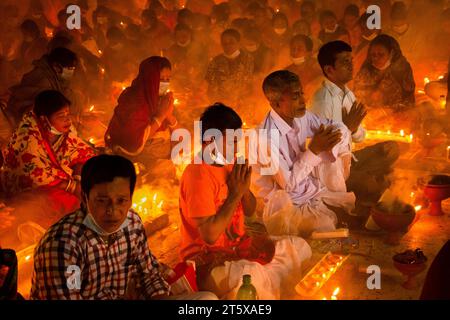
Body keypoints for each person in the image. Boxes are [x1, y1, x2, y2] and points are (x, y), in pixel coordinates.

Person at [30, 154, 217, 300]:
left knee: (207, 299)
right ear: (85, 198)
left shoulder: (132, 224)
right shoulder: (63, 245)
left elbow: (149, 275)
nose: (113, 211)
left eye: (121, 201)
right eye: (102, 201)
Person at [179, 103, 312, 299]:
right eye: (231, 141)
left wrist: (243, 189)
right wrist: (234, 194)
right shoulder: (197, 174)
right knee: (251, 276)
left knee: (298, 246)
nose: (236, 147)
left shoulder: (230, 162)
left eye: (237, 140)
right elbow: (210, 236)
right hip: (207, 264)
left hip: (239, 249)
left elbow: (249, 211)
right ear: (209, 140)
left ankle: (268, 283)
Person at [252, 70, 355, 237]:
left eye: (301, 93)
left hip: (307, 187)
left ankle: (327, 208)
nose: (303, 100)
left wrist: (338, 137)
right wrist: (314, 150)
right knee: (324, 225)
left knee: (332, 148)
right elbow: (289, 185)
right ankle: (326, 213)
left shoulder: (301, 116)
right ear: (276, 104)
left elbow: (334, 126)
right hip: (283, 201)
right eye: (295, 97)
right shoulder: (265, 138)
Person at [310, 41, 399, 220]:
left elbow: (360, 136)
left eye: (351, 60)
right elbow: (325, 152)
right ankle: (355, 199)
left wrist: (354, 128)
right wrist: (347, 128)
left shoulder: (347, 94)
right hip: (330, 173)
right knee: (370, 184)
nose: (351, 65)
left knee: (391, 148)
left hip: (349, 160)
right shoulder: (323, 101)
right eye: (344, 62)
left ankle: (368, 182)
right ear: (329, 70)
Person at [1, 90, 95, 227]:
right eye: (61, 116)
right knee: (62, 200)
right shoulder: (26, 138)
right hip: (31, 192)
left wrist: (78, 178)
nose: (68, 120)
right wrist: (73, 186)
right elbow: (35, 177)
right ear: (45, 119)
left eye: (68, 114)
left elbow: (80, 153)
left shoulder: (62, 131)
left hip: (60, 183)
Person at [105, 56, 178, 167]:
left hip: (164, 159)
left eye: (168, 79)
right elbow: (133, 141)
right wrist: (161, 116)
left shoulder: (163, 99)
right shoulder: (134, 101)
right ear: (150, 79)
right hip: (140, 163)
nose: (165, 84)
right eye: (161, 79)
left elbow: (180, 136)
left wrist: (169, 116)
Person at [6, 47, 78, 127]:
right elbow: (40, 112)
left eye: (73, 69)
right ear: (56, 67)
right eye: (69, 69)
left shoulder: (51, 76)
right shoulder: (44, 81)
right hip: (23, 124)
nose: (72, 72)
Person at [354, 34, 416, 116]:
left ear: (392, 53)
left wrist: (388, 111)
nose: (376, 59)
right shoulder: (366, 70)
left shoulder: (402, 69)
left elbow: (409, 101)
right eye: (373, 55)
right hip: (370, 117)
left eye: (381, 54)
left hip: (397, 117)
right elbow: (357, 97)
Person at [205, 29, 254, 107]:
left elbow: (250, 83)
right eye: (224, 43)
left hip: (243, 103)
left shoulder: (248, 59)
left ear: (239, 43)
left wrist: (241, 99)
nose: (228, 45)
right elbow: (210, 86)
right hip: (221, 103)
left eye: (231, 42)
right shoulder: (216, 61)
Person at [285, 34, 322, 99]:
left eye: (299, 49)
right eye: (293, 48)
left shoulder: (317, 70)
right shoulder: (286, 72)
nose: (295, 52)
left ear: (309, 53)